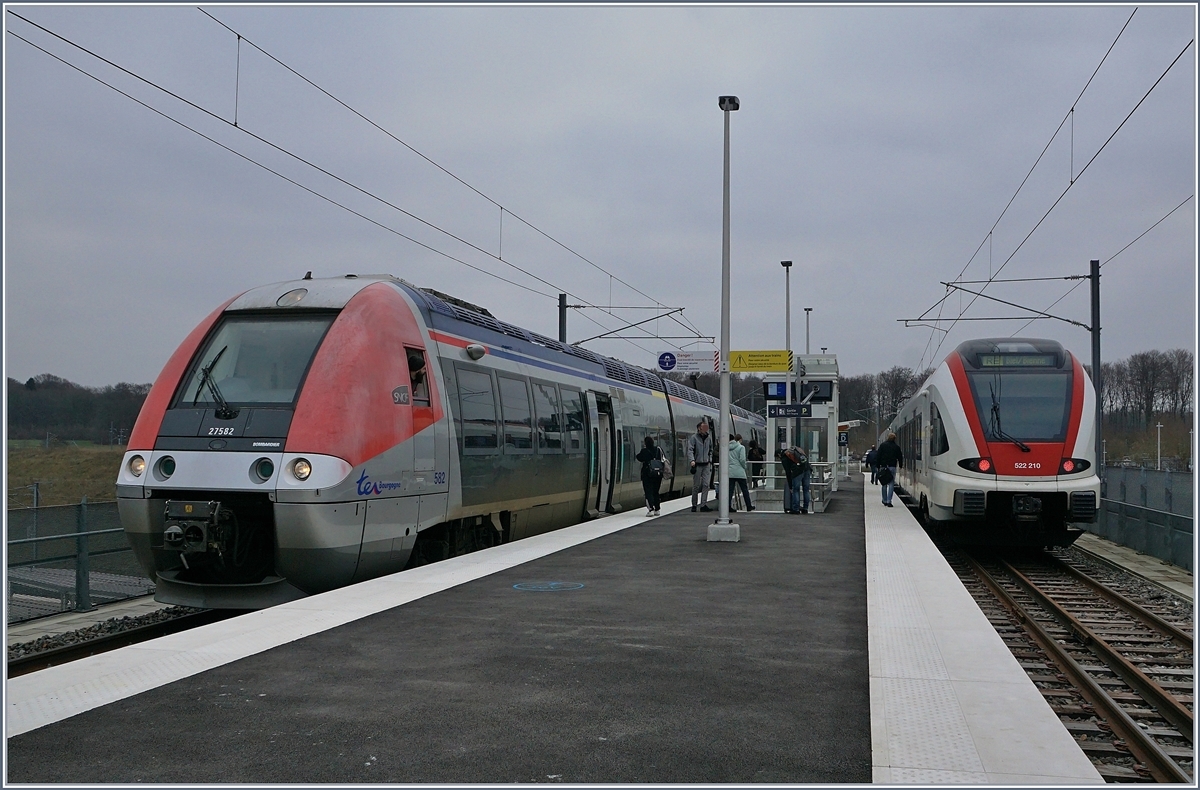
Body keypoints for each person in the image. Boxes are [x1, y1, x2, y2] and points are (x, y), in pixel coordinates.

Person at [687, 420, 713, 512]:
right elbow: (690, 450)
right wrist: (692, 460)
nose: (706, 429)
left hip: (706, 464)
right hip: (697, 464)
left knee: (706, 485)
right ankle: (694, 505)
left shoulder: (708, 438)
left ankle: (703, 505)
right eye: (703, 428)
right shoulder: (694, 438)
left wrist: (710, 459)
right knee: (696, 486)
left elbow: (711, 449)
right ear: (699, 428)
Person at [635, 436, 665, 516]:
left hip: (647, 474)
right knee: (656, 491)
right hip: (658, 474)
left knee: (648, 491)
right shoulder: (658, 449)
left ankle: (651, 509)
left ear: (645, 443)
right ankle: (657, 509)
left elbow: (639, 457)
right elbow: (663, 459)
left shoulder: (644, 451)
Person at [779, 446, 812, 514]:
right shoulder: (795, 451)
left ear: (779, 455)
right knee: (806, 490)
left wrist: (790, 486)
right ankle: (805, 508)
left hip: (798, 471)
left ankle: (796, 509)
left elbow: (788, 472)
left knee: (796, 490)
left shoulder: (784, 458)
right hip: (807, 468)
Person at [875, 432, 904, 507]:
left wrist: (878, 465)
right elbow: (900, 457)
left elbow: (878, 456)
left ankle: (884, 500)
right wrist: (900, 465)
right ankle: (889, 501)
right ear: (894, 439)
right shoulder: (896, 447)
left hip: (884, 467)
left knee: (884, 483)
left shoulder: (883, 445)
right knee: (891, 484)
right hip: (892, 466)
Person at [727, 434, 754, 513]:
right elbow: (742, 459)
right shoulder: (741, 447)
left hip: (730, 471)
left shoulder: (726, 448)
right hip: (739, 471)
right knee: (744, 490)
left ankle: (728, 506)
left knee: (730, 491)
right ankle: (749, 506)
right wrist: (744, 467)